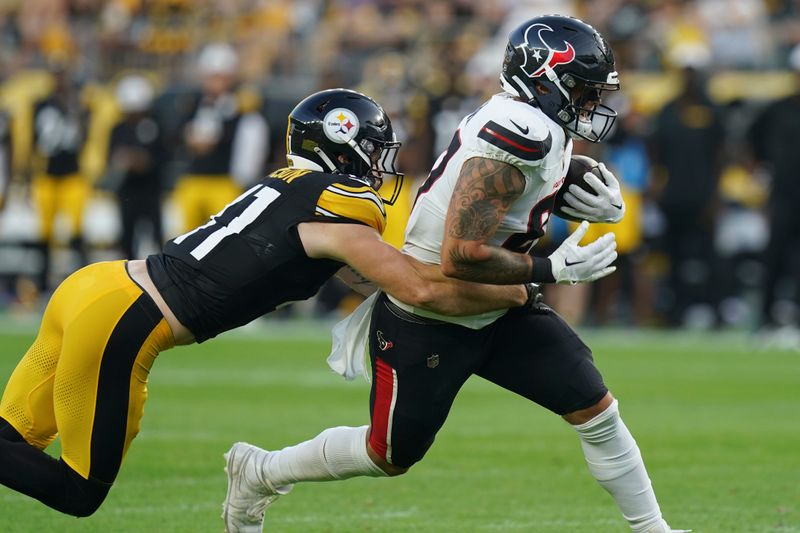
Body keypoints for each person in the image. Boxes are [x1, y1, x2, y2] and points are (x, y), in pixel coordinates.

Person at [224, 16, 686, 533]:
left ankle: (655, 531)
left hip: (499, 302)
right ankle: (260, 470)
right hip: (432, 309)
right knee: (388, 454)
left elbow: (507, 199)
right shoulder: (520, 133)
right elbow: (459, 254)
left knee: (597, 412)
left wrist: (562, 187)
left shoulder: (535, 125)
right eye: (581, 89)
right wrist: (552, 267)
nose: (589, 102)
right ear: (544, 78)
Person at [0, 89, 529, 518]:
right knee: (79, 491)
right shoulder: (338, 205)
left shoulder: (293, 186)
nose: (379, 164)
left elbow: (385, 283)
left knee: (11, 438)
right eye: (373, 149)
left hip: (96, 288)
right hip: (126, 319)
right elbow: (419, 288)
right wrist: (535, 276)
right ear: (344, 146)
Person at [171, 42, 269, 233]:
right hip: (193, 179)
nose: (216, 82)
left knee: (223, 235)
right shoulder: (193, 103)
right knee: (183, 236)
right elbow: (176, 135)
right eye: (212, 77)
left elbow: (250, 143)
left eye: (221, 77)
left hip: (224, 181)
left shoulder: (240, 106)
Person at [747, 44, 800, 333]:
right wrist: (760, 171)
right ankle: (766, 317)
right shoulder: (777, 109)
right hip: (783, 194)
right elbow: (752, 141)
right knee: (775, 256)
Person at [102, 74, 165, 259]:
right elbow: (111, 157)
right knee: (127, 237)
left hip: (150, 190)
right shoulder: (118, 128)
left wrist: (143, 162)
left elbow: (162, 157)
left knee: (156, 235)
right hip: (127, 190)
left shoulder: (154, 126)